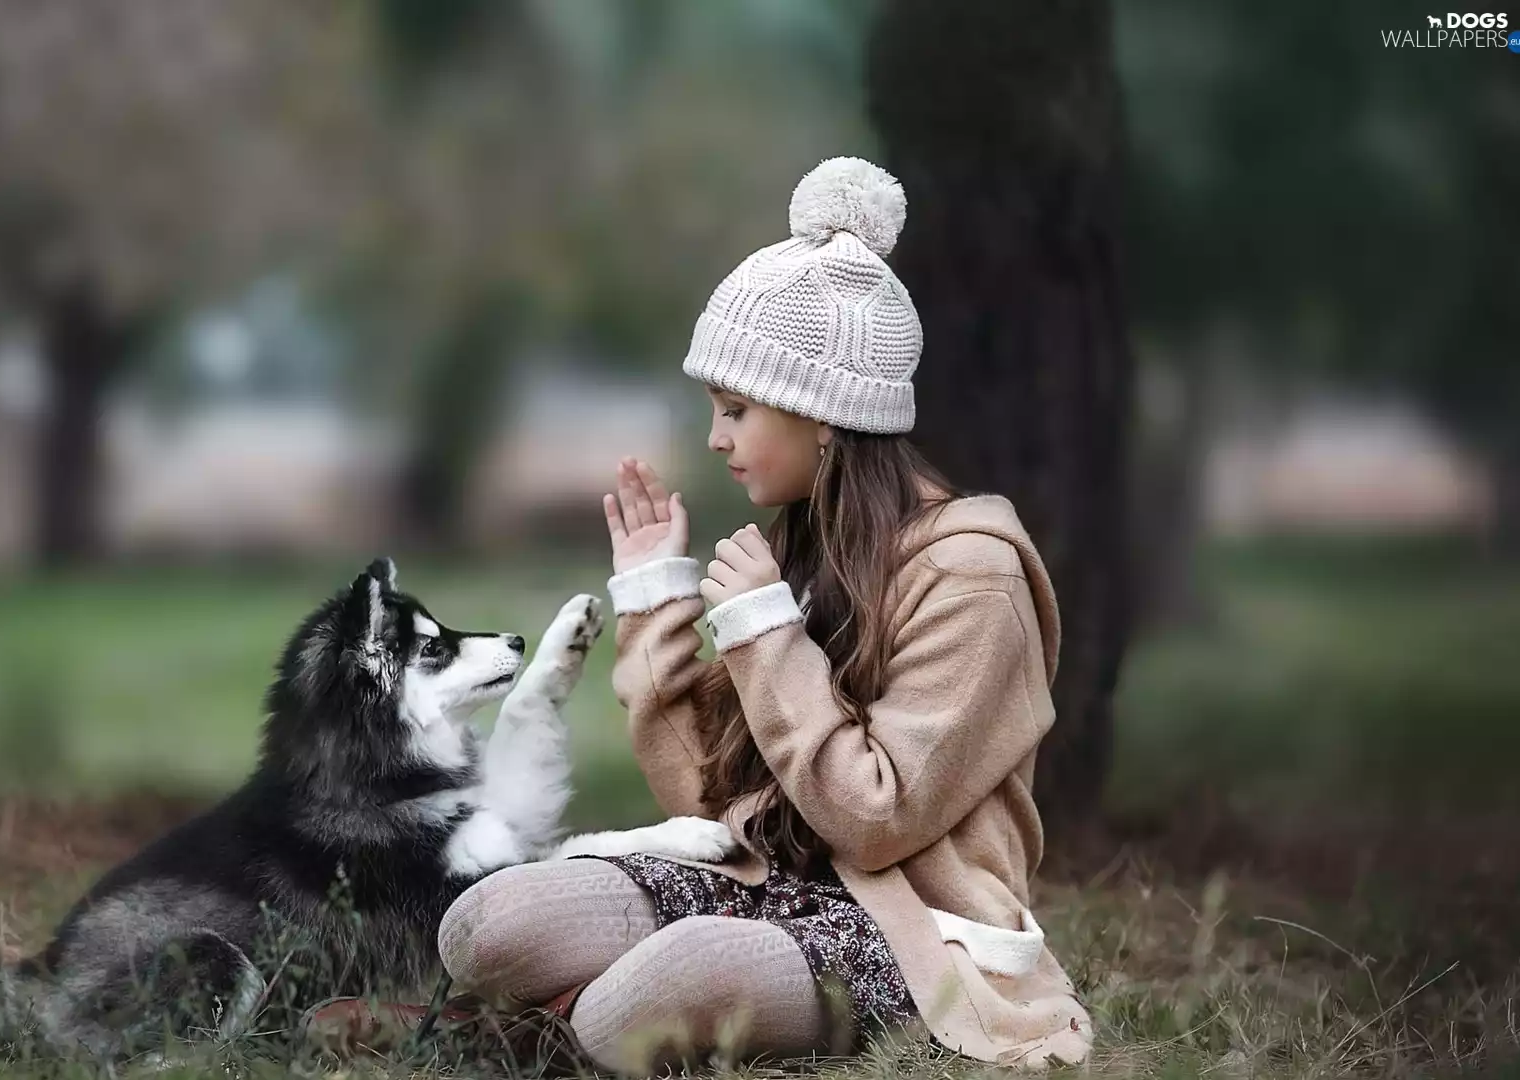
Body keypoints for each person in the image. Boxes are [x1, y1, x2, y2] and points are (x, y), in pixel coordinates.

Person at [432, 157, 1093, 1072]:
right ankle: (580, 1013)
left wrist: (767, 637)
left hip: (911, 931)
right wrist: (658, 602)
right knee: (484, 927)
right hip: (759, 886)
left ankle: (570, 1023)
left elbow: (874, 820)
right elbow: (709, 809)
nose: (716, 438)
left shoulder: (974, 579)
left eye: (736, 408)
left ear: (823, 415)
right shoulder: (793, 556)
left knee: (664, 986)